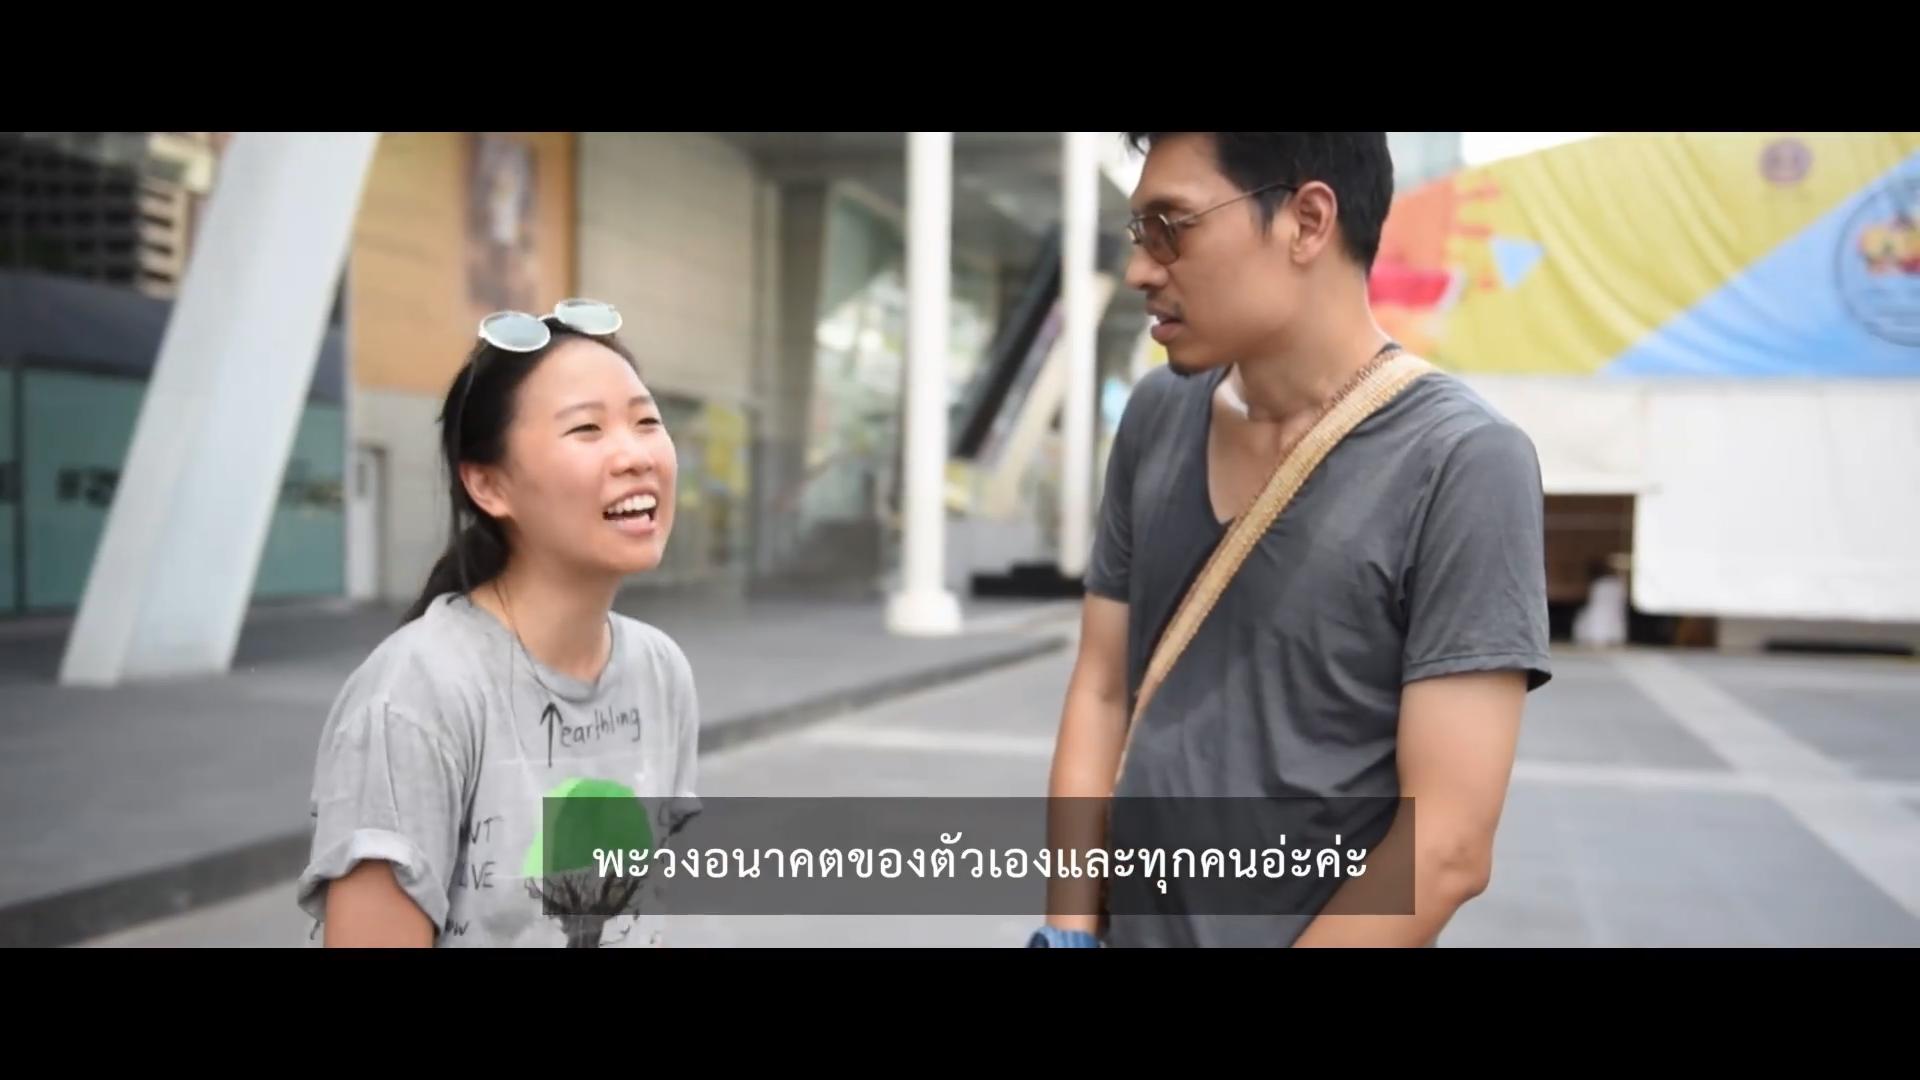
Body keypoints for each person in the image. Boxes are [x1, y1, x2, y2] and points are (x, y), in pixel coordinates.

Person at [1029, 133, 1551, 948]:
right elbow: (1102, 688)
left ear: (1307, 221)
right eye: (1140, 232)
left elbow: (1445, 845)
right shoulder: (1157, 416)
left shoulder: (1462, 461)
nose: (1141, 269)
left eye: (1174, 225)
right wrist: (1067, 929)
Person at [296, 299, 701, 948]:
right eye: (587, 430)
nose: (636, 456)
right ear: (489, 485)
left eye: (647, 421)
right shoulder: (414, 696)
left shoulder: (660, 673)